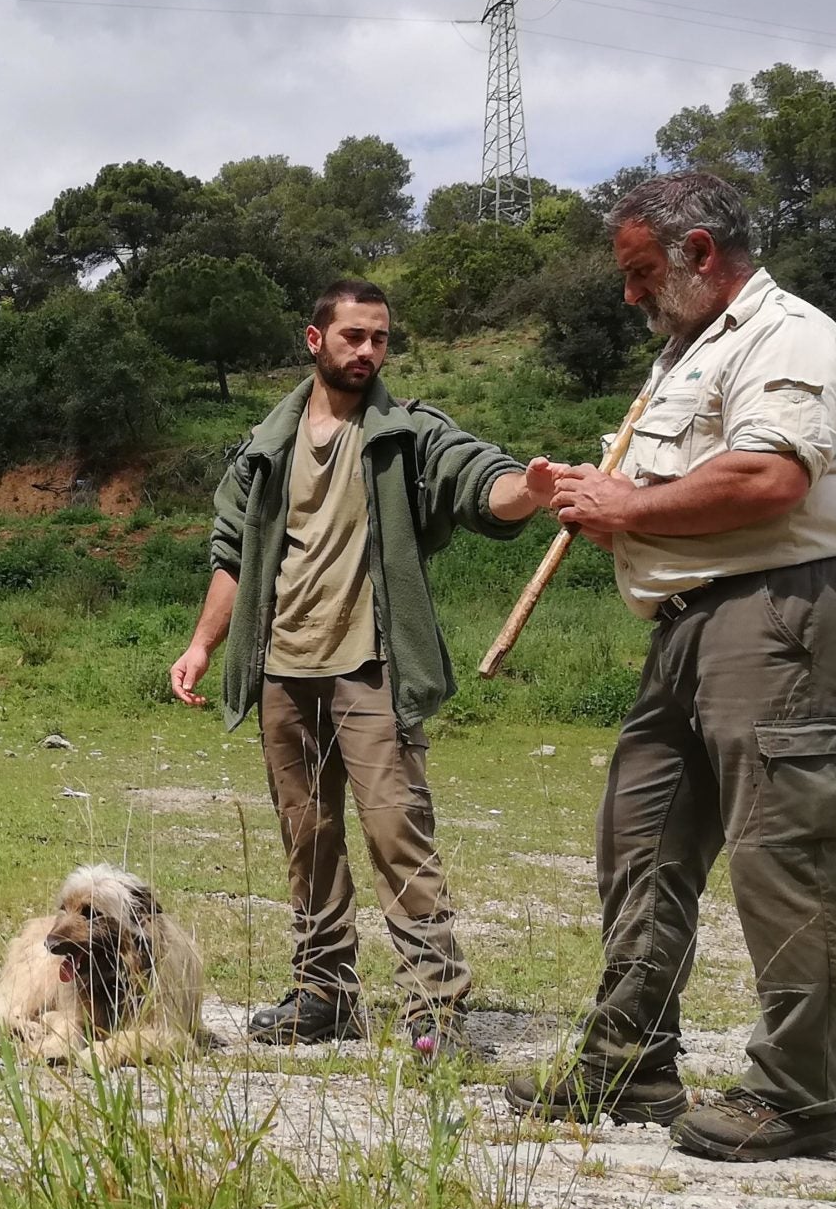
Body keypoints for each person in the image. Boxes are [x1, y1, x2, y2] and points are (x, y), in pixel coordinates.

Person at [504, 172, 836, 1163]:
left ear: (700, 252)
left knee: (783, 851)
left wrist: (626, 509)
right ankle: (630, 1060)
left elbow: (769, 475)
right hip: (690, 620)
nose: (629, 294)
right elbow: (678, 493)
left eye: (640, 273)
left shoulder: (788, 334)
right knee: (639, 837)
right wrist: (604, 505)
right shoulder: (686, 357)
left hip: (784, 609)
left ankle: (798, 1095)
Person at [170, 280, 552, 1057]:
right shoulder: (266, 448)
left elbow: (481, 480)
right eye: (353, 336)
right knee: (307, 837)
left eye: (379, 338)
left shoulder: (406, 433)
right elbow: (231, 554)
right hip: (282, 665)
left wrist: (529, 491)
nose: (368, 351)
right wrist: (205, 644)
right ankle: (323, 994)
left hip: (372, 666)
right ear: (316, 341)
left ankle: (435, 1009)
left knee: (397, 832)